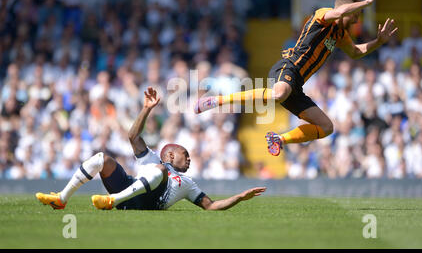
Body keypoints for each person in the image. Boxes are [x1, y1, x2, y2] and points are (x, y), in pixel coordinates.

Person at [194, 0, 398, 156]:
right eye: (356, 14)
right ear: (348, 10)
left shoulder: (340, 35)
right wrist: (368, 2)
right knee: (279, 92)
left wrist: (378, 42)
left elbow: (354, 52)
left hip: (297, 84)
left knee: (326, 127)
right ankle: (216, 101)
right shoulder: (322, 15)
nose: (356, 20)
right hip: (287, 67)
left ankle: (279, 139)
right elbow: (340, 12)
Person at [36, 87, 266, 211]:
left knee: (159, 171)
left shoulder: (187, 184)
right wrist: (146, 109)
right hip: (128, 190)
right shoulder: (153, 159)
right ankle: (62, 199)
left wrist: (240, 197)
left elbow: (211, 206)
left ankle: (112, 201)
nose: (189, 160)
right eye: (185, 155)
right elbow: (132, 135)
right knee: (101, 159)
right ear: (170, 155)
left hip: (146, 204)